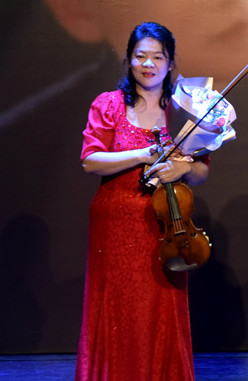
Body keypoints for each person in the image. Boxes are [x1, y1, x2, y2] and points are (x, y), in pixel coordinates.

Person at [76, 22, 209, 380]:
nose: (148, 64)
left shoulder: (184, 109)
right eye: (140, 56)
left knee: (161, 306)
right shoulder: (108, 104)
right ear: (128, 60)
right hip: (116, 224)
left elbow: (201, 172)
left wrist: (184, 167)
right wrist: (144, 154)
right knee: (117, 308)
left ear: (170, 63)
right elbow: (90, 161)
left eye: (158, 57)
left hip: (167, 225)